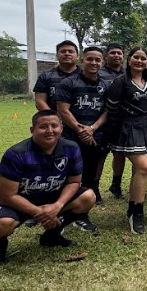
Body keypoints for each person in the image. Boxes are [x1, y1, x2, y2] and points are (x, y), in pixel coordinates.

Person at [0, 111, 96, 265]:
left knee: (88, 197)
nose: (50, 130)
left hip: (50, 197)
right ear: (32, 130)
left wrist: (57, 206)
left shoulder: (71, 148)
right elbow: (6, 196)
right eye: (43, 127)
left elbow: (74, 182)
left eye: (54, 126)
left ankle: (52, 235)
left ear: (61, 128)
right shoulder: (16, 153)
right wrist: (40, 212)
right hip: (17, 201)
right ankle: (0, 245)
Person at [105, 47, 147, 234]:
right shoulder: (120, 81)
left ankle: (132, 208)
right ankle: (138, 213)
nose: (139, 61)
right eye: (136, 57)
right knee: (144, 166)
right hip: (128, 128)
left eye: (143, 58)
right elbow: (111, 109)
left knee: (140, 171)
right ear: (128, 60)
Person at [56, 46, 109, 229]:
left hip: (95, 137)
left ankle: (81, 216)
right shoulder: (68, 82)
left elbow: (107, 111)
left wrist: (92, 129)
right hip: (70, 138)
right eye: (90, 59)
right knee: (66, 176)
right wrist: (81, 130)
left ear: (102, 62)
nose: (93, 63)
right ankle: (57, 212)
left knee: (89, 177)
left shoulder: (106, 85)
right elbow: (63, 110)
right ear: (82, 60)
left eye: (97, 60)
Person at [99, 43, 127, 202]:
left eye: (119, 53)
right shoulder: (99, 73)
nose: (116, 56)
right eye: (113, 53)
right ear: (106, 55)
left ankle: (116, 184)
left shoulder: (127, 73)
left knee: (119, 154)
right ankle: (94, 187)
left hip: (121, 122)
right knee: (100, 155)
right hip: (102, 121)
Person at [33, 40, 81, 112]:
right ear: (57, 56)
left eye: (71, 51)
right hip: (54, 118)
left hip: (81, 118)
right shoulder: (45, 76)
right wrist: (54, 117)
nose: (67, 54)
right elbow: (40, 102)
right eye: (63, 51)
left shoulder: (88, 77)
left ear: (78, 57)